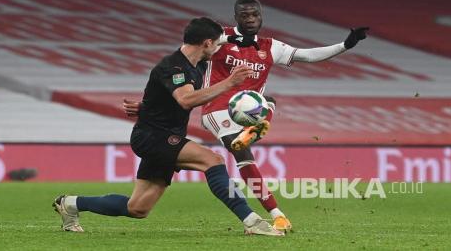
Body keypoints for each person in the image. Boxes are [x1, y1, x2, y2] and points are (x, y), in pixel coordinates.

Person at [124, 0, 369, 232]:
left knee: (268, 103)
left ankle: (254, 144)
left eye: (254, 14)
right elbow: (187, 56)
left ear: (261, 17)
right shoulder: (220, 38)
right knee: (240, 150)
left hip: (248, 111)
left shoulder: (270, 47)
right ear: (236, 17)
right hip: (216, 108)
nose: (250, 19)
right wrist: (151, 104)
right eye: (244, 15)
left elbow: (307, 55)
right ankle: (274, 213)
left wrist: (346, 44)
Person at [53, 17, 284, 236]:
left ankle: (70, 204)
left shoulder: (199, 61)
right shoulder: (173, 67)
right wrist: (229, 83)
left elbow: (223, 41)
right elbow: (186, 100)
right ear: (206, 43)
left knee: (138, 208)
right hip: (153, 138)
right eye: (216, 44)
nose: (219, 48)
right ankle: (252, 221)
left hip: (164, 135)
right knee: (213, 161)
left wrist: (145, 108)